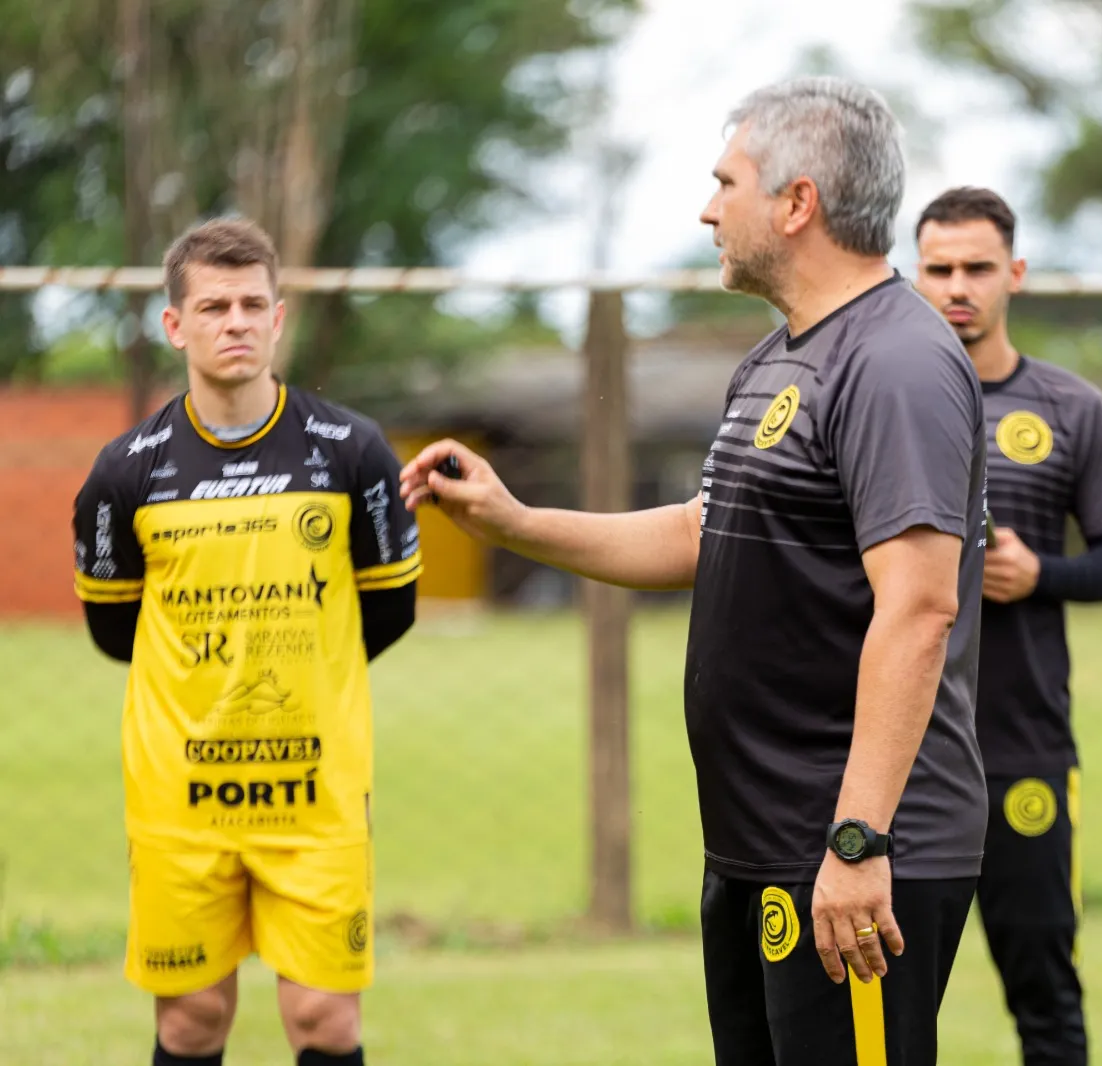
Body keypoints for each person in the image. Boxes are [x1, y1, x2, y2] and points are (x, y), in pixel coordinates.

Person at [399, 77, 988, 1065]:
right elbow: (698, 534)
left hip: (851, 847)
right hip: (759, 841)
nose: (708, 210)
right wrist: (513, 522)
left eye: (726, 183)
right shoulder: (772, 362)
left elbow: (920, 609)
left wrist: (856, 841)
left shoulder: (895, 364)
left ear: (797, 203)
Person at [72, 217, 420, 1066]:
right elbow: (115, 630)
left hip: (314, 792)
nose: (236, 322)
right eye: (214, 306)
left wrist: (309, 672)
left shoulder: (353, 452)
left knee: (324, 1020)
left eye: (252, 305)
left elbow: (390, 610)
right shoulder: (125, 471)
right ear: (174, 325)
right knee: (192, 1020)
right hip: (180, 796)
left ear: (279, 317)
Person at [914, 187, 1102, 1066]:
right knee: (883, 996)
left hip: (1024, 745)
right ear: (913, 274)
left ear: (1014, 273)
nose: (957, 286)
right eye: (939, 268)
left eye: (977, 267)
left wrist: (1039, 573)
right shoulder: (884, 400)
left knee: (1045, 989)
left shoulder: (1068, 407)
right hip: (898, 751)